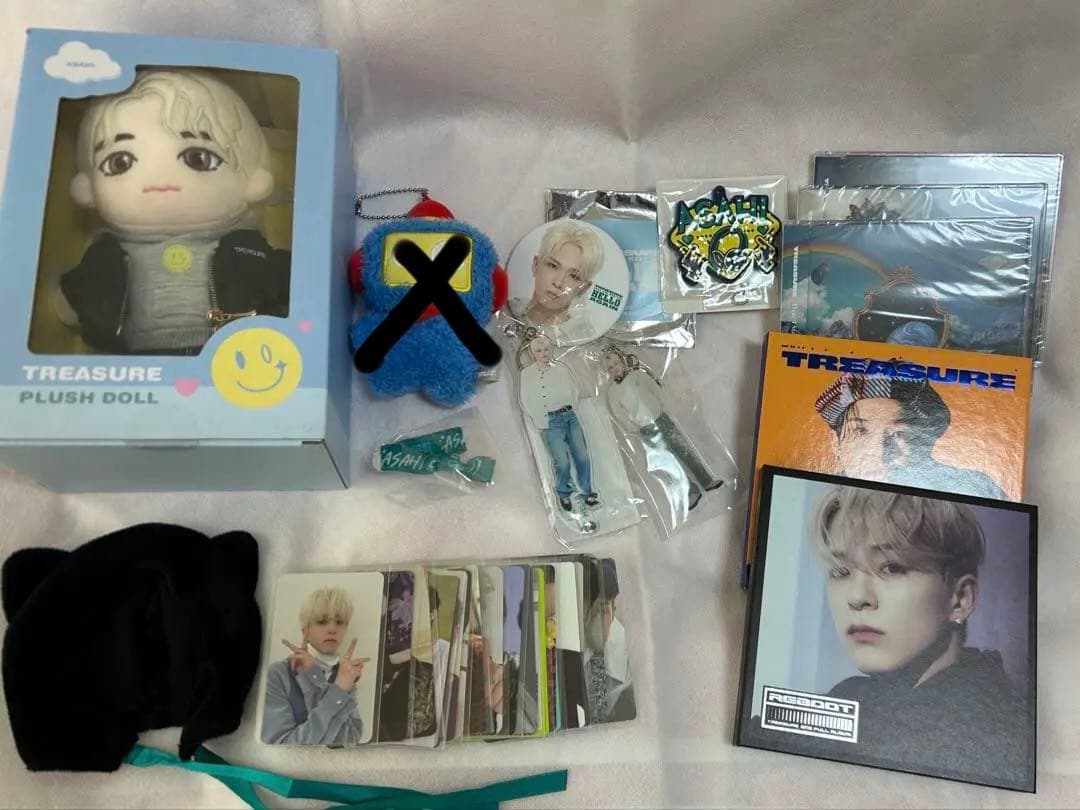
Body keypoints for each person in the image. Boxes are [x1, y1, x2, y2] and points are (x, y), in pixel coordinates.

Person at [751, 486, 1031, 787]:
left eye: (892, 567)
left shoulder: (991, 729)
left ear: (960, 599)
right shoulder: (856, 698)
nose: (857, 597)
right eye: (840, 571)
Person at [58, 69, 290, 355]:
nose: (157, 178)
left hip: (238, 358)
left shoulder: (248, 250)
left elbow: (293, 283)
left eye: (198, 158)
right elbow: (75, 297)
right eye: (120, 162)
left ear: (254, 182)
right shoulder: (104, 258)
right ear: (88, 188)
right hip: (136, 367)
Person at [814, 374, 1005, 498]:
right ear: (836, 443)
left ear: (923, 441)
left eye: (898, 433)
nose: (879, 453)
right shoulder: (819, 495)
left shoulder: (972, 488)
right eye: (859, 431)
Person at [601, 344, 723, 512]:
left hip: (660, 417)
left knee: (683, 449)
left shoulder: (638, 375)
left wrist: (664, 404)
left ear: (622, 361)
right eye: (610, 368)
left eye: (616, 364)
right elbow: (619, 414)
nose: (615, 368)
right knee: (669, 462)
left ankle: (706, 480)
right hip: (645, 429)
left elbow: (655, 388)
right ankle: (689, 491)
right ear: (607, 371)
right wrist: (634, 428)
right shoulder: (613, 393)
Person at [261, 586, 369, 745]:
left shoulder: (344, 675)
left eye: (340, 622)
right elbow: (282, 748)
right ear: (305, 630)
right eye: (322, 621)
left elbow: (350, 740)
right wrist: (331, 687)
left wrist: (338, 686)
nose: (332, 629)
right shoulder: (276, 675)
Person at [519, 334, 599, 512]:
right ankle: (563, 493)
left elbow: (573, 389)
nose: (543, 353)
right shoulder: (526, 374)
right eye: (539, 350)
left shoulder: (560, 369)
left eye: (546, 349)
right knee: (562, 461)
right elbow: (526, 399)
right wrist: (541, 420)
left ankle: (587, 492)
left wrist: (571, 408)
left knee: (583, 456)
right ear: (532, 353)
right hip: (550, 421)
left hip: (569, 416)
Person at [523, 221, 604, 341]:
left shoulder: (583, 340)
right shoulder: (504, 311)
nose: (558, 283)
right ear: (536, 265)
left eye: (574, 276)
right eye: (553, 266)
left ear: (584, 288)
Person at [583, 559, 636, 724]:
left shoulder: (632, 656)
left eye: (602, 610)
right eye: (590, 611)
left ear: (613, 609)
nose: (592, 621)